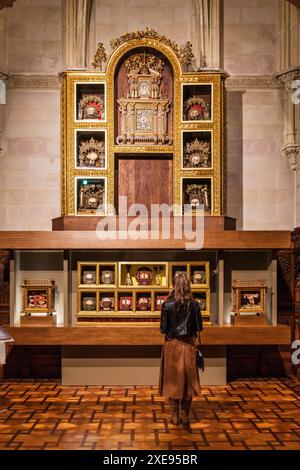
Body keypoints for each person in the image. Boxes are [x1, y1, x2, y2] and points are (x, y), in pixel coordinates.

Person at [159, 273, 203, 425]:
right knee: (188, 381)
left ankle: (174, 415)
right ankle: (185, 415)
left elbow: (163, 329)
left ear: (173, 286)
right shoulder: (195, 304)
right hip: (189, 345)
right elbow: (199, 328)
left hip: (172, 345)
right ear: (188, 286)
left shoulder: (167, 305)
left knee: (172, 381)